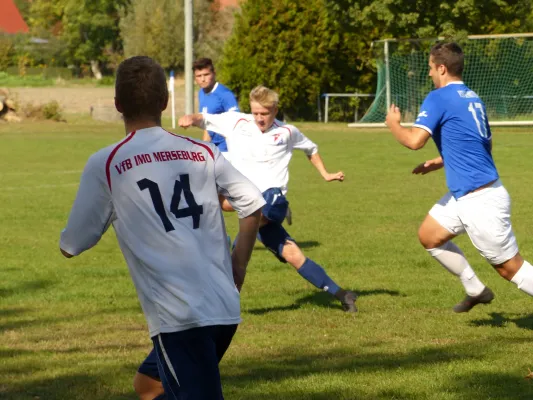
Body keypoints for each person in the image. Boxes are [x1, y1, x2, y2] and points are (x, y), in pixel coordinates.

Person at [59, 56, 265, 400]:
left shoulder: (107, 163)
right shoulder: (202, 150)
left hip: (180, 317)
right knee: (148, 385)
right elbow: (253, 202)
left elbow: (73, 244)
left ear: (117, 105)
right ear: (165, 103)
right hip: (223, 306)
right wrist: (238, 266)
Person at [178, 85, 358, 313]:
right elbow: (204, 118)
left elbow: (311, 149)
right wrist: (190, 118)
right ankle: (343, 294)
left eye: (265, 113)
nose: (260, 118)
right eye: (255, 113)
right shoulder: (237, 122)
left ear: (275, 110)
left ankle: (222, 303)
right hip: (249, 202)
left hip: (273, 201)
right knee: (293, 255)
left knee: (238, 248)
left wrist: (325, 174)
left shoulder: (287, 132)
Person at [385, 42, 533, 313]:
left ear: (441, 68)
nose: (429, 73)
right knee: (430, 236)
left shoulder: (438, 97)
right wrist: (442, 160)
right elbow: (482, 143)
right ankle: (475, 289)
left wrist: (393, 124)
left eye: (430, 68)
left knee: (510, 268)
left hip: (480, 199)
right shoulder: (472, 96)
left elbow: (415, 141)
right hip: (469, 193)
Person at [193, 57, 239, 161]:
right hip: (213, 148)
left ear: (214, 73)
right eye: (199, 76)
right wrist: (204, 148)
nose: (203, 79)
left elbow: (236, 123)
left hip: (227, 150)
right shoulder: (201, 93)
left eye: (206, 75)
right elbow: (208, 125)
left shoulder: (225, 95)